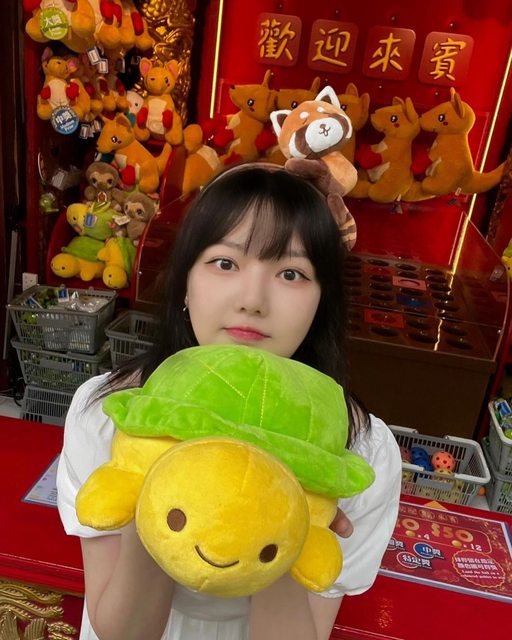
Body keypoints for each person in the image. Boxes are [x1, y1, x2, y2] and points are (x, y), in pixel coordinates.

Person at [57, 163, 402, 640]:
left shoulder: (359, 453)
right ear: (185, 281)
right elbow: (124, 633)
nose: (252, 300)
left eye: (291, 273)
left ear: (322, 302)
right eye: (225, 263)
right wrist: (149, 472)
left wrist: (287, 509)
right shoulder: (110, 413)